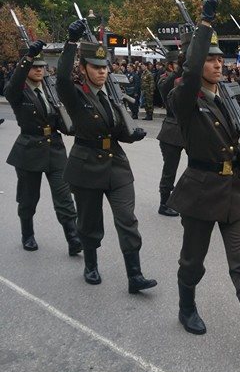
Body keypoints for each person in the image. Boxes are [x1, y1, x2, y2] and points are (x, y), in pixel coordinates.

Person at [166, 0, 240, 352]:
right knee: (193, 261)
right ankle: (186, 307)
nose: (218, 65)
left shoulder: (226, 97)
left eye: (220, 59)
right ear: (197, 61)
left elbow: (234, 142)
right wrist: (204, 24)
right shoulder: (184, 98)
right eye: (211, 59)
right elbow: (189, 74)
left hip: (233, 189)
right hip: (201, 190)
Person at [56, 20, 156, 293]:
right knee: (89, 222)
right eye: (96, 68)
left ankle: (134, 276)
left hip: (116, 165)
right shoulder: (75, 94)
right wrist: (70, 43)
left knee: (127, 219)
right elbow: (62, 79)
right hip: (87, 164)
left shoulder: (112, 96)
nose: (102, 72)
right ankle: (91, 264)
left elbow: (116, 129)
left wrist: (130, 135)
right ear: (84, 69)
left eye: (104, 68)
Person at [5, 41, 82, 255]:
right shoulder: (17, 93)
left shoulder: (50, 90)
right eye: (34, 66)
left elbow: (60, 117)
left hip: (55, 149)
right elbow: (13, 84)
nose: (39, 69)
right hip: (29, 148)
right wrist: (27, 58)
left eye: (41, 66)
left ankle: (73, 237)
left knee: (64, 195)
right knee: (28, 197)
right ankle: (27, 234)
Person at [156, 48, 186, 217]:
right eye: (176, 64)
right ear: (169, 66)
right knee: (170, 170)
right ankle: (164, 202)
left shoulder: (186, 78)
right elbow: (167, 88)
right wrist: (181, 69)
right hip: (171, 131)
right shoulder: (164, 79)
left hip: (188, 129)